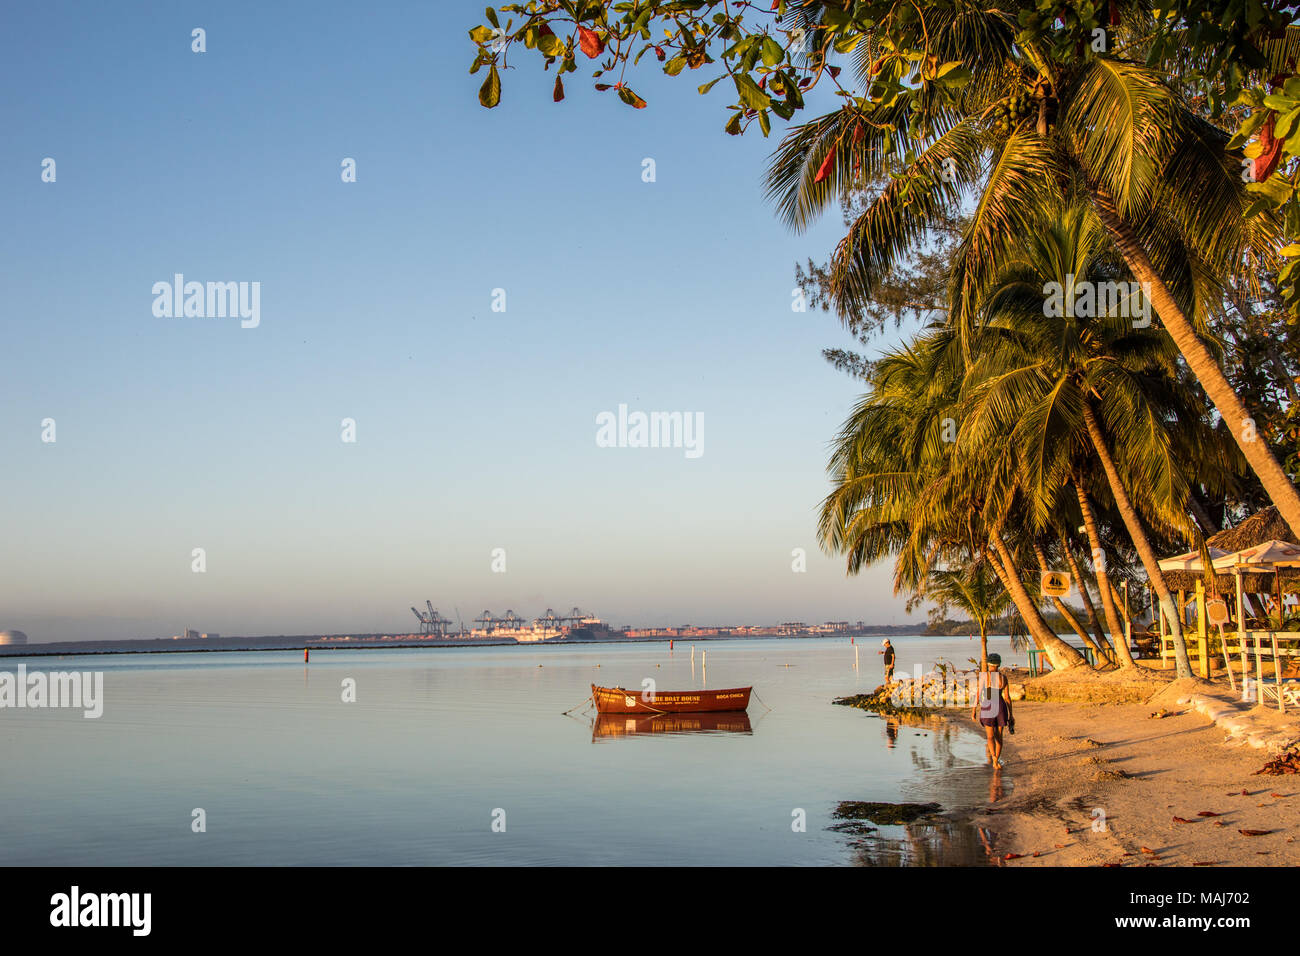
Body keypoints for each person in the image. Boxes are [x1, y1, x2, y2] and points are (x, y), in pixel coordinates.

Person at [971, 653, 1013, 767]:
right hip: (1000, 706)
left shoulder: (985, 676)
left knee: (990, 736)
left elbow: (978, 694)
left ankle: (993, 757)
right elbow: (1007, 698)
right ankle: (996, 760)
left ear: (989, 664)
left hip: (988, 705)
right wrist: (1011, 715)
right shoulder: (1003, 678)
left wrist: (974, 709)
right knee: (999, 736)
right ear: (998, 664)